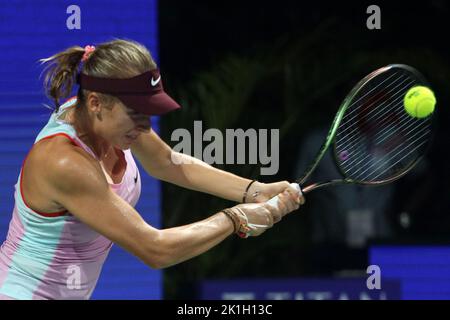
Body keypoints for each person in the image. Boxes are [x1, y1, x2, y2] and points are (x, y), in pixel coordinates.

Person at [0, 39, 303, 300]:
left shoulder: (105, 119)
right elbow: (155, 250)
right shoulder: (65, 162)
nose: (145, 127)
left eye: (149, 112)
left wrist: (254, 190)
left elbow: (167, 163)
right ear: (95, 103)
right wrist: (236, 217)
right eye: (135, 114)